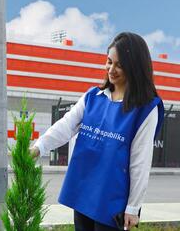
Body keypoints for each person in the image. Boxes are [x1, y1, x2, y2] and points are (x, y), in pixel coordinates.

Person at [30, 32, 164, 231]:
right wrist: (39, 147)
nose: (112, 69)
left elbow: (140, 161)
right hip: (84, 191)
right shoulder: (93, 97)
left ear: (135, 67)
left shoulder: (145, 109)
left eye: (120, 65)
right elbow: (66, 125)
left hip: (112, 200)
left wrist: (133, 207)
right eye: (109, 62)